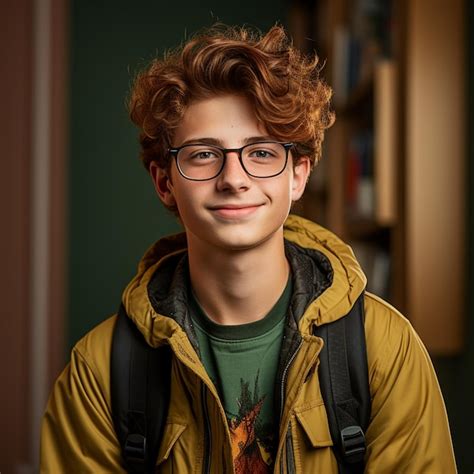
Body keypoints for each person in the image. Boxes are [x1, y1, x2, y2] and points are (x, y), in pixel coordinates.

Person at [40, 24, 456, 473]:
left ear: (298, 175)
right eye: (202, 154)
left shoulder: (384, 348)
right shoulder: (99, 370)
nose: (234, 179)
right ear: (165, 182)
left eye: (260, 153)